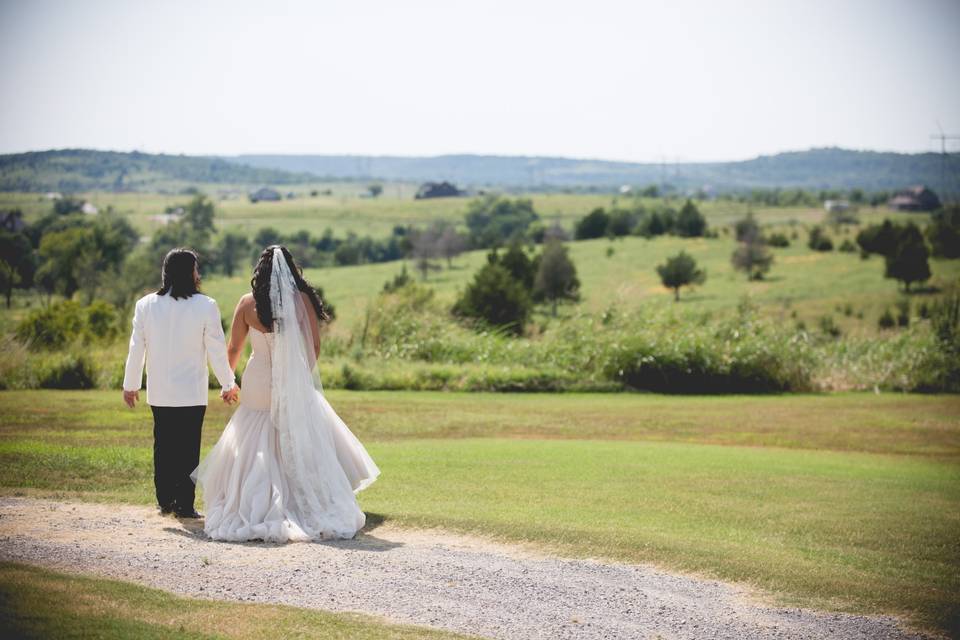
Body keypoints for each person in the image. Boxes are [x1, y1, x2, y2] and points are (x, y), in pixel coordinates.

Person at [192, 245, 379, 542]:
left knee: (253, 433)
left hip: (256, 379)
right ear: (290, 270)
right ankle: (303, 501)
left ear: (259, 272)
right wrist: (299, 377)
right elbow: (314, 346)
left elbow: (234, 349)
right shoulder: (300, 299)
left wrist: (228, 383)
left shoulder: (246, 303)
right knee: (297, 433)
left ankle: (251, 502)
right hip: (290, 379)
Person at [122, 248, 238, 519]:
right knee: (188, 449)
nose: (199, 274)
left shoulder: (145, 305)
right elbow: (216, 350)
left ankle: (164, 500)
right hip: (191, 392)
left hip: (160, 391)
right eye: (196, 268)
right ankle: (184, 504)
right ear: (190, 273)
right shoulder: (206, 305)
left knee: (162, 445)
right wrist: (227, 383)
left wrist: (131, 385)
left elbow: (136, 348)